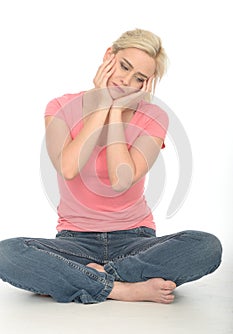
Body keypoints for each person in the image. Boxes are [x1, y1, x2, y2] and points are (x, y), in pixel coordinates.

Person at [0, 28, 222, 304]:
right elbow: (68, 167)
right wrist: (102, 102)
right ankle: (123, 288)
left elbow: (121, 179)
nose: (125, 81)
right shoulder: (60, 106)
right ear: (109, 56)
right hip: (75, 241)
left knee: (206, 246)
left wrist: (116, 112)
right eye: (124, 67)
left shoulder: (153, 116)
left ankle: (86, 279)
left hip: (136, 241)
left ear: (146, 83)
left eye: (138, 78)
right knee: (7, 253)